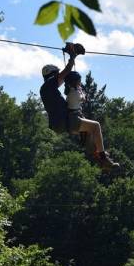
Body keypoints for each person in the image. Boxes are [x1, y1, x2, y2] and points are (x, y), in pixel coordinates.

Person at [40, 43, 119, 171]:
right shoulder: (49, 85)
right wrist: (72, 56)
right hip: (66, 122)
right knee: (96, 126)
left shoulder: (48, 91)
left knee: (89, 129)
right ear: (52, 75)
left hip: (60, 124)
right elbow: (65, 73)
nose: (60, 77)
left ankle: (97, 153)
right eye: (57, 74)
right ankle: (103, 157)